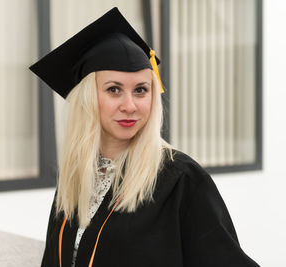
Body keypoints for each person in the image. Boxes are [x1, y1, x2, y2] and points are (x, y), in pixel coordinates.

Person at [30, 7, 259, 267]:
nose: (130, 105)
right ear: (88, 99)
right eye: (114, 89)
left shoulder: (180, 180)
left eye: (141, 90)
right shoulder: (76, 177)